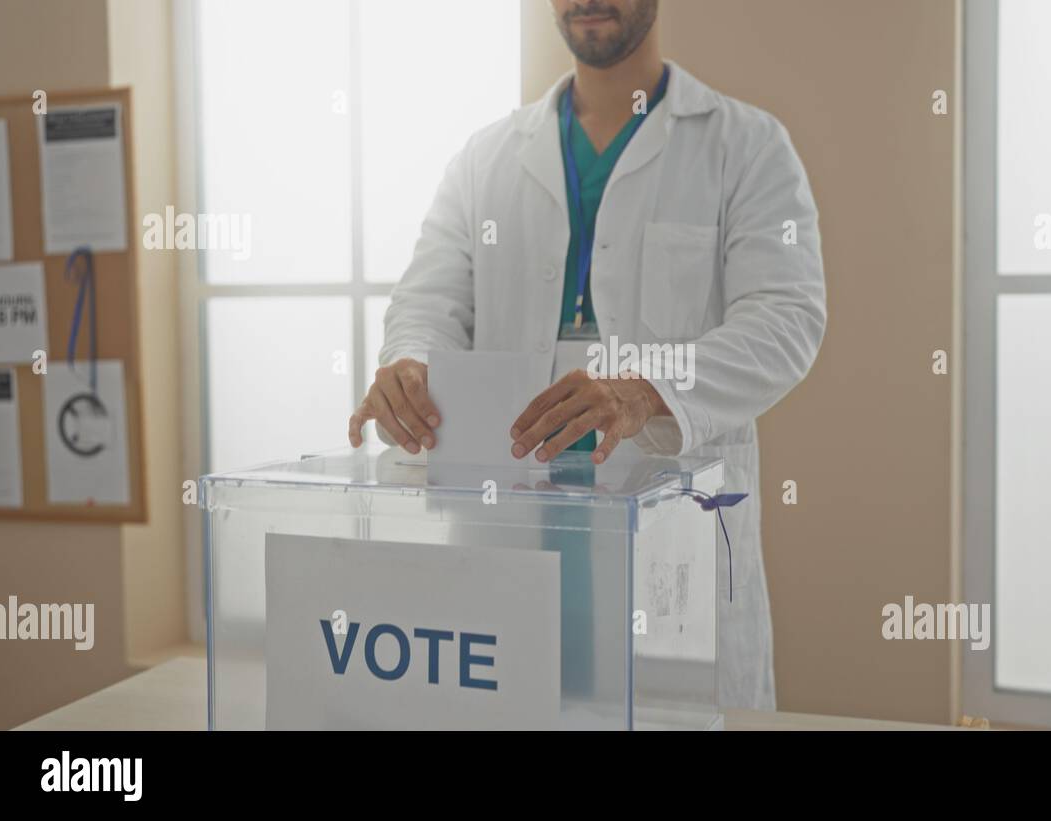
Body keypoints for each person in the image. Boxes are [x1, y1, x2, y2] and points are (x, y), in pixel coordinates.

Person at [347, 0, 826, 711]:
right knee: (513, 709)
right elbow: (427, 306)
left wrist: (645, 391)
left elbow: (787, 318)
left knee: (669, 714)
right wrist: (411, 367)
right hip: (508, 535)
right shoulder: (485, 159)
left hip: (670, 543)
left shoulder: (745, 146)